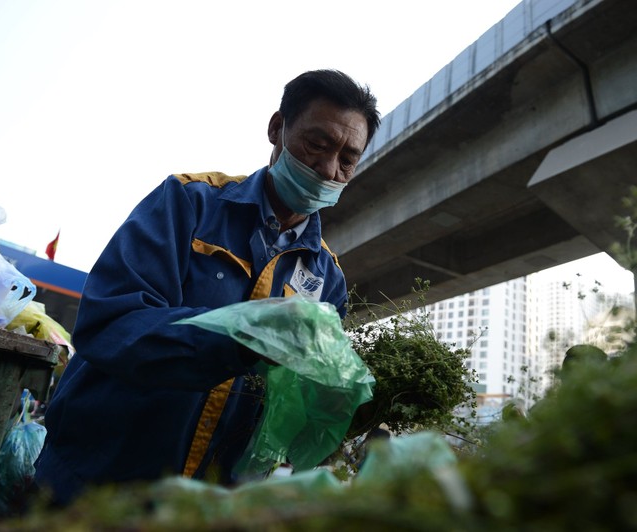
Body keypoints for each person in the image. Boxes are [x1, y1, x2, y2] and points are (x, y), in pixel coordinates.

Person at [33, 69, 380, 505]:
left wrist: (341, 396)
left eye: (347, 159)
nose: (328, 169)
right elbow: (110, 325)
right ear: (277, 128)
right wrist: (240, 331)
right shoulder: (187, 202)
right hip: (93, 483)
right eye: (318, 144)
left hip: (208, 505)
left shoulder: (328, 279)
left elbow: (290, 405)